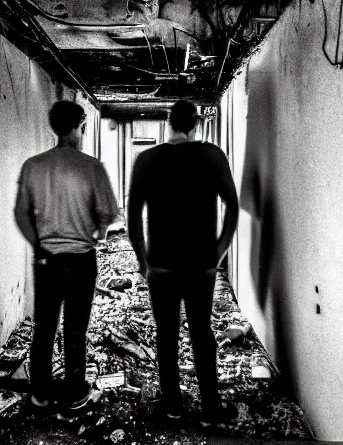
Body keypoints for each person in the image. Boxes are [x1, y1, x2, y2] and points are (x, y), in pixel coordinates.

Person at [127, 99, 239, 428]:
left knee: (166, 336)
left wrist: (142, 260)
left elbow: (133, 216)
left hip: (161, 265)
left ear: (169, 123)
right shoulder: (211, 155)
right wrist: (218, 252)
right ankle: (210, 410)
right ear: (196, 124)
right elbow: (232, 206)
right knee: (202, 333)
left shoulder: (147, 159)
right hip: (200, 264)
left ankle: (174, 408)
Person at [14, 100, 118, 412]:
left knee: (44, 327)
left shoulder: (33, 165)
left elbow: (21, 214)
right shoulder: (91, 167)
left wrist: (40, 245)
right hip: (81, 259)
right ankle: (74, 392)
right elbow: (109, 215)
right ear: (80, 127)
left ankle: (40, 393)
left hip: (46, 259)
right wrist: (96, 231)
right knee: (75, 328)